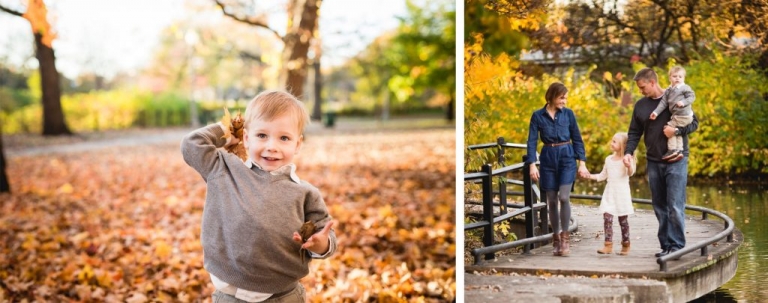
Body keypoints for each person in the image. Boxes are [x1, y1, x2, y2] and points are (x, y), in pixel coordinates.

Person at [181, 90, 337, 302]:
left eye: (284, 138)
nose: (271, 146)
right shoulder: (224, 169)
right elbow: (192, 145)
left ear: (297, 144)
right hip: (230, 295)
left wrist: (321, 245)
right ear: (246, 138)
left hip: (284, 295)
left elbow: (325, 234)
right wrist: (226, 129)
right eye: (262, 135)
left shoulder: (305, 193)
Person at [625, 68, 698, 258]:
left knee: (674, 205)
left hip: (677, 159)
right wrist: (628, 152)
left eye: (642, 87)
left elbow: (693, 124)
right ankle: (666, 245)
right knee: (659, 206)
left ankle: (677, 247)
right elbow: (634, 133)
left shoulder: (675, 96)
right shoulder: (641, 106)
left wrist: (676, 132)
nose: (640, 91)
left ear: (652, 82)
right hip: (654, 161)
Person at [526, 82, 590, 257]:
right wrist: (532, 164)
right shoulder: (537, 116)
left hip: (566, 157)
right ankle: (555, 238)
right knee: (552, 200)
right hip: (547, 158)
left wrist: (582, 162)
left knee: (563, 197)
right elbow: (531, 141)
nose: (565, 101)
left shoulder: (568, 114)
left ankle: (565, 238)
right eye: (562, 97)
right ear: (552, 96)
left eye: (566, 97)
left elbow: (577, 138)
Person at [587, 132, 636, 255]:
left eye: (614, 142)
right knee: (607, 218)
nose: (611, 143)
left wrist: (628, 166)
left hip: (622, 195)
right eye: (612, 140)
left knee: (623, 221)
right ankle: (608, 245)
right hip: (610, 194)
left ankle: (626, 245)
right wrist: (589, 176)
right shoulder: (608, 159)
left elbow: (630, 173)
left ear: (623, 145)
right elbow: (603, 175)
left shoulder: (627, 159)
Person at [649, 66, 695, 161]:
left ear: (684, 78)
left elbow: (692, 97)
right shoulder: (669, 90)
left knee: (669, 128)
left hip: (684, 115)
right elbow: (663, 102)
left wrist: (683, 102)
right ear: (670, 78)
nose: (677, 78)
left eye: (680, 76)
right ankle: (679, 150)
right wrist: (656, 112)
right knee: (676, 131)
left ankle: (672, 149)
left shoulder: (684, 88)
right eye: (675, 76)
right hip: (677, 116)